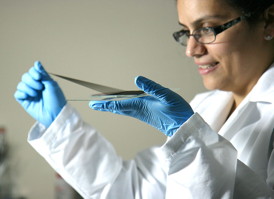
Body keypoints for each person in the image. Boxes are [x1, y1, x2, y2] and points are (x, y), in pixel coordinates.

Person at [14, 0, 274, 198]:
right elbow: (135, 191)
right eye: (186, 31)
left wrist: (194, 144)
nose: (191, 49)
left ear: (269, 20)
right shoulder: (204, 106)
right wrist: (62, 127)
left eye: (207, 29)